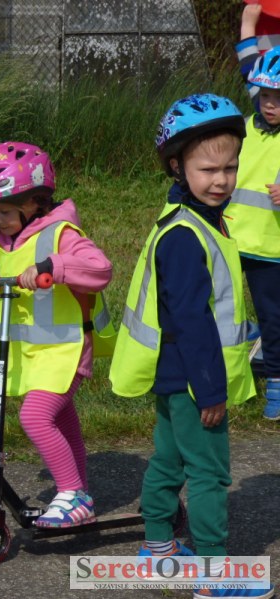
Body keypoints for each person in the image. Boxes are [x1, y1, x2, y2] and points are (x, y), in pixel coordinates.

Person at [109, 93, 272, 599]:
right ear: (177, 166)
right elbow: (192, 322)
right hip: (196, 379)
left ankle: (158, 546)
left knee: (169, 461)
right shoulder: (186, 235)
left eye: (230, 167)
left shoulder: (192, 218)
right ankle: (213, 575)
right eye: (208, 169)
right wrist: (210, 391)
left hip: (173, 373)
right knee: (208, 474)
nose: (221, 180)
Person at [0, 142, 116, 528]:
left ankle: (72, 493)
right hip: (33, 351)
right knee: (62, 419)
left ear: (34, 202)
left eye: (3, 211)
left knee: (35, 416)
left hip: (65, 349)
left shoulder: (61, 234)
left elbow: (101, 269)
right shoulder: (5, 236)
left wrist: (54, 267)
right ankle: (80, 492)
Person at [228, 3, 280, 420]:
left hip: (271, 249)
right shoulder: (249, 121)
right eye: (265, 96)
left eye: (278, 99)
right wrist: (249, 20)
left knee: (273, 318)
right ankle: (241, 358)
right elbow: (250, 62)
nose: (269, 105)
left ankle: (276, 384)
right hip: (231, 238)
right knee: (223, 308)